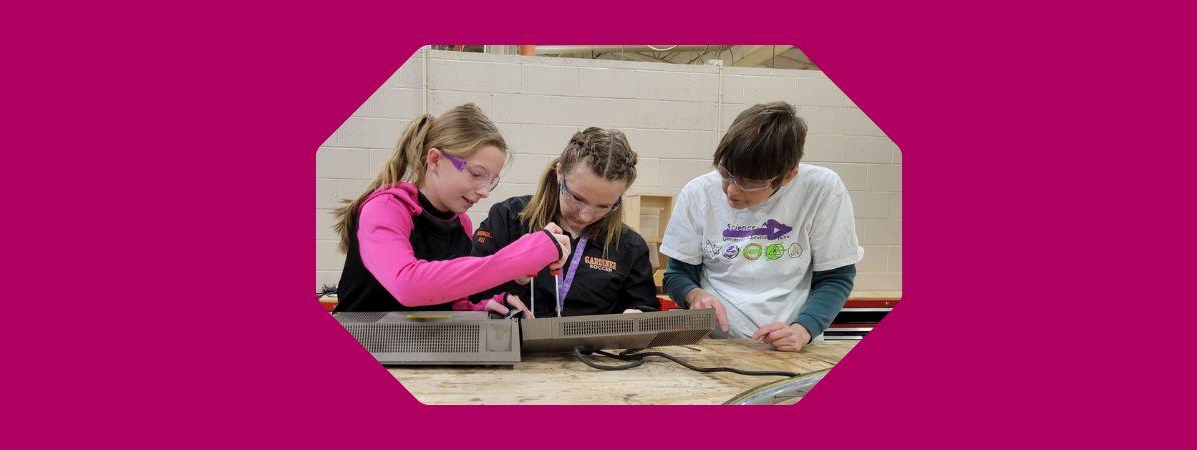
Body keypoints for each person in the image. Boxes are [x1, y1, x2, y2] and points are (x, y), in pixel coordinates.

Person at [660, 102, 862, 352]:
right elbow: (676, 274)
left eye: (749, 182)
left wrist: (804, 329)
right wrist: (694, 295)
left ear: (788, 176)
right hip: (713, 347)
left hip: (790, 347)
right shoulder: (698, 192)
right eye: (727, 173)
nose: (732, 190)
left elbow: (836, 278)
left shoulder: (822, 189)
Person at [330, 103, 570, 314]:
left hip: (415, 352)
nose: (484, 191)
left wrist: (479, 306)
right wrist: (519, 258)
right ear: (435, 160)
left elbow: (443, 301)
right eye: (476, 174)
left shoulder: (460, 222)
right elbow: (407, 286)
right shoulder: (385, 208)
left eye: (491, 181)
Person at [470, 127, 658, 318]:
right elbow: (470, 295)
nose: (585, 216)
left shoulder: (630, 246)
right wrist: (514, 278)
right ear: (560, 172)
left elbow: (645, 306)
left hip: (592, 348)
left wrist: (639, 316)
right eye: (577, 198)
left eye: (604, 206)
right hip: (512, 345)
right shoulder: (507, 218)